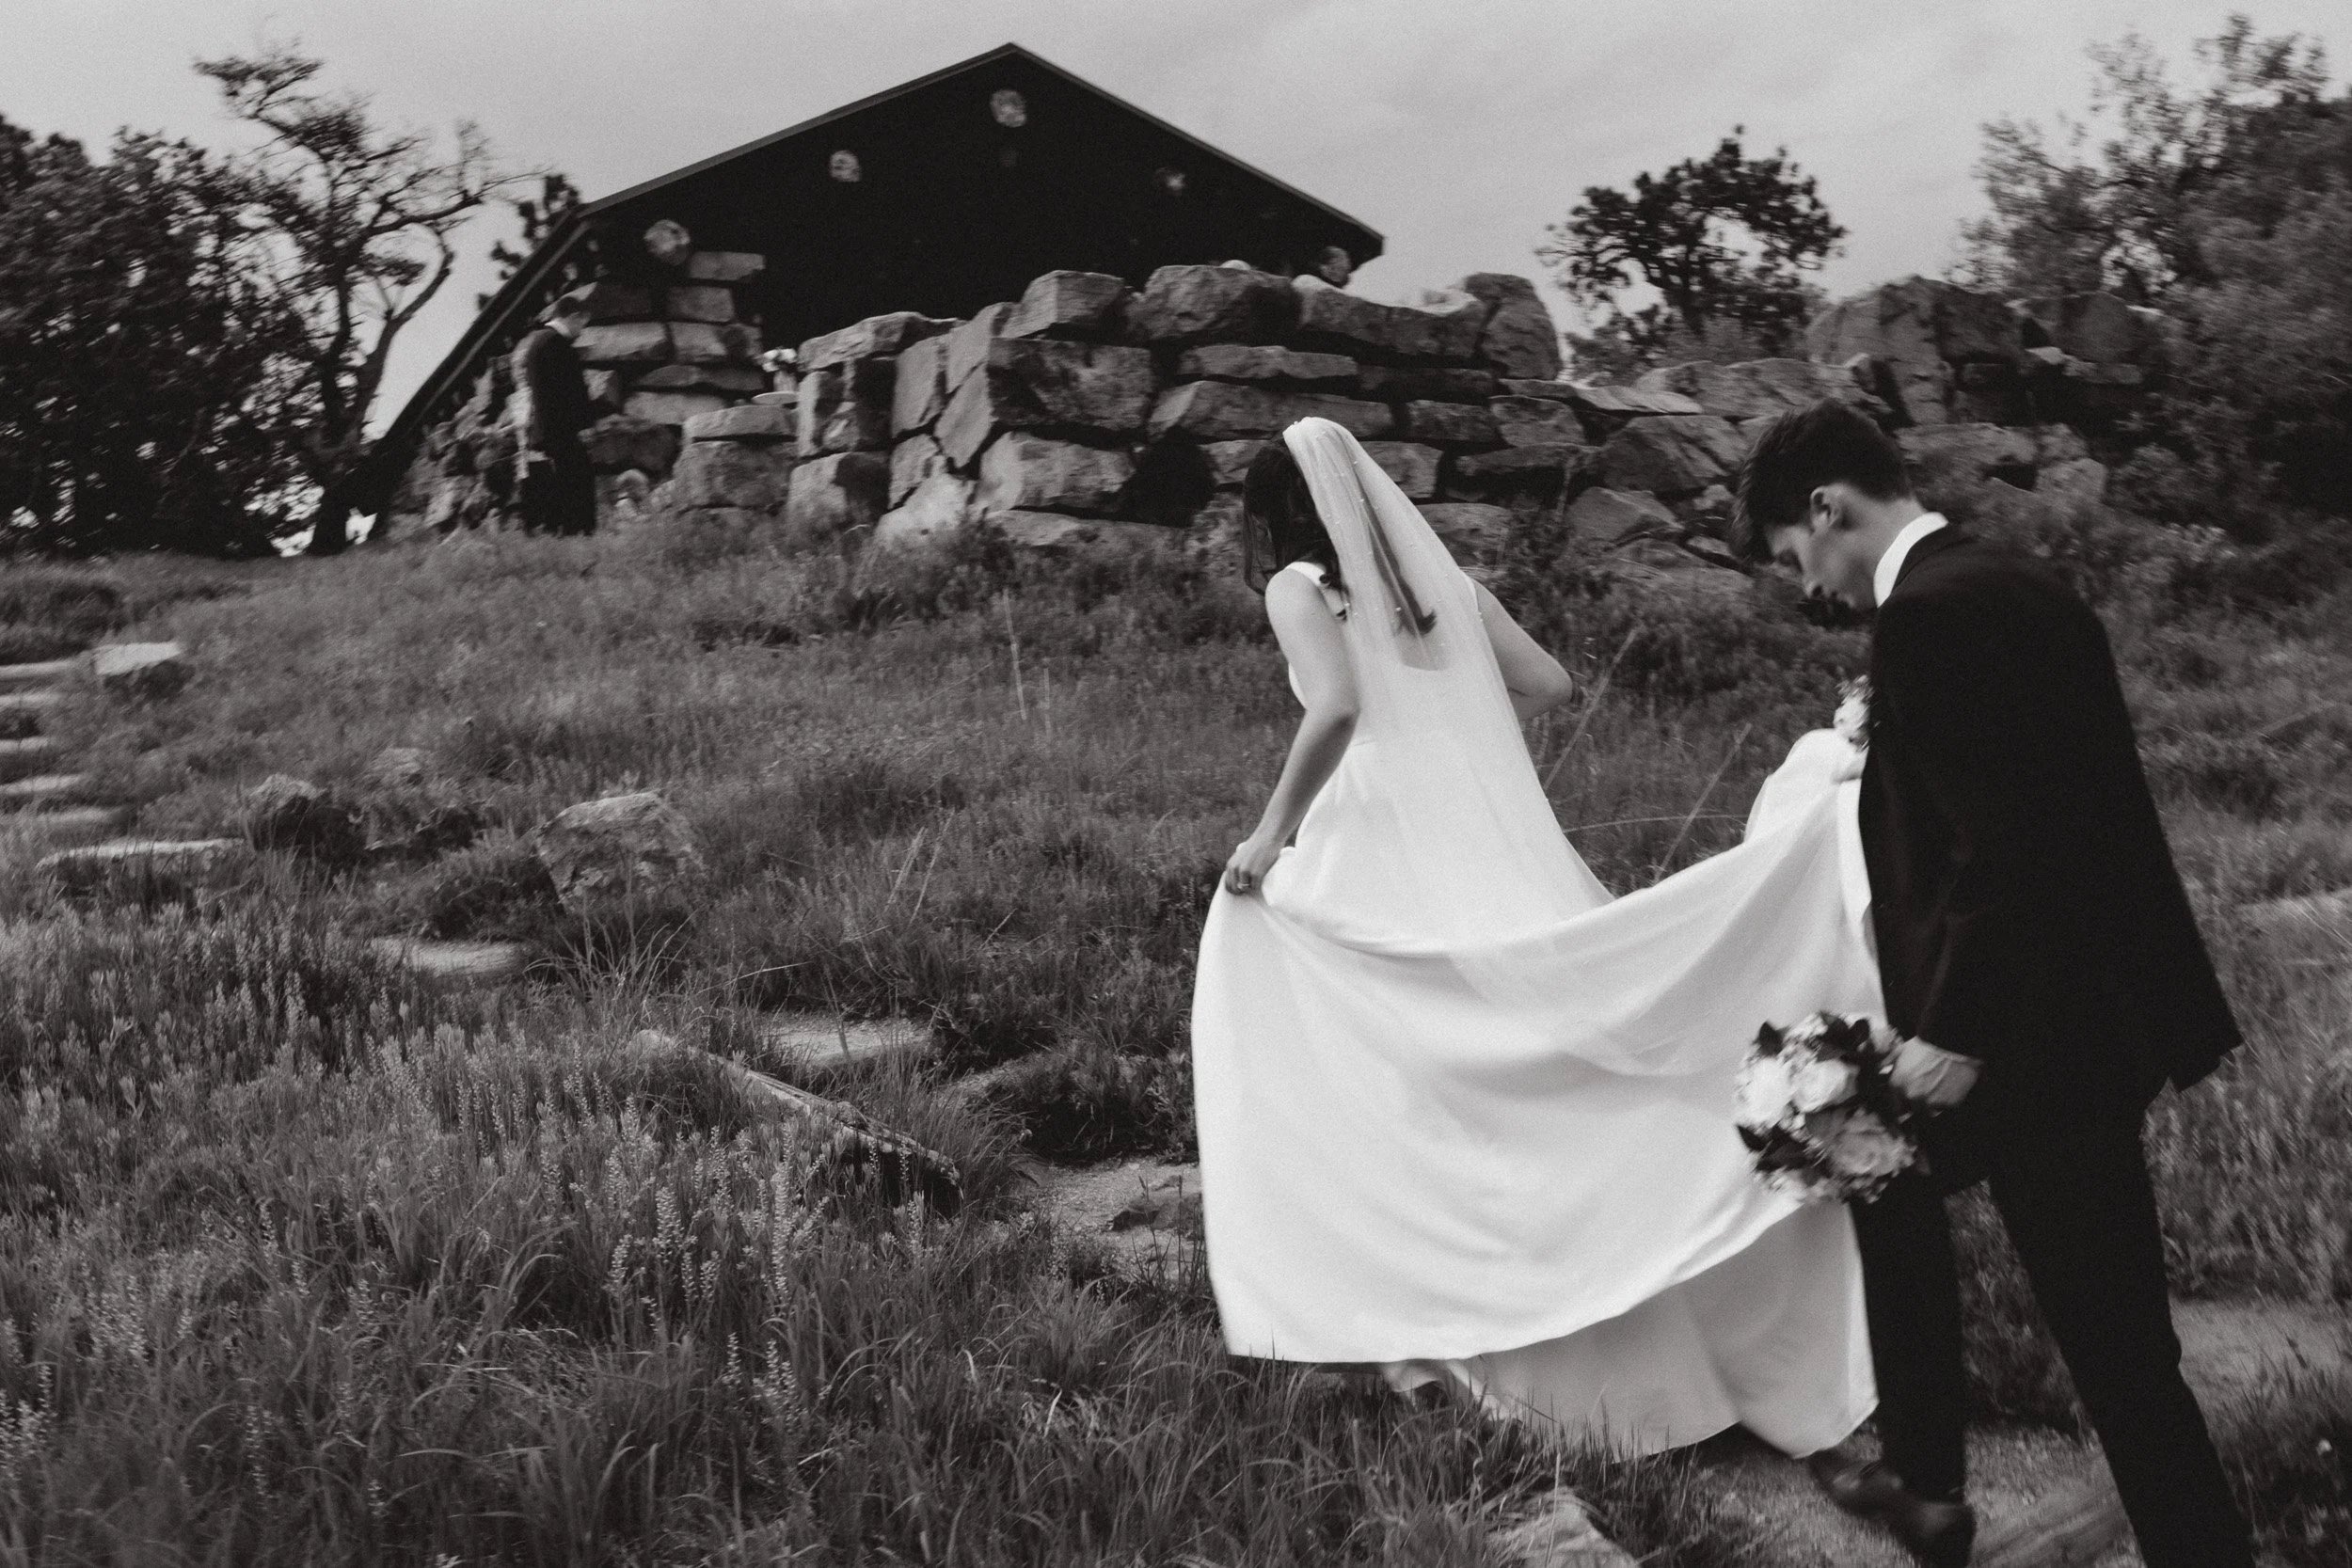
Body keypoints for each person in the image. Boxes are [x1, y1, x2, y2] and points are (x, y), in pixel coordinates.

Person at [1193, 418, 1883, 1460]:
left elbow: (1333, 706)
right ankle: (1628, 1326)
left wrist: (1269, 831)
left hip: (1375, 839)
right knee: (1533, 1068)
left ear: (1276, 511)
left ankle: (1410, 1298)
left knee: (1387, 1067)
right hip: (1479, 837)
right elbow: (1550, 683)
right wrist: (1446, 708)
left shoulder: (1297, 585)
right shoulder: (1444, 589)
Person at [1734, 401, 2250, 1568]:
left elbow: (2008, 843)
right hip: (2081, 1010)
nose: (1805, 583)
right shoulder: (2018, 581)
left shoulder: (1923, 619)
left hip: (2031, 1040)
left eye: (1790, 555)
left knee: (2117, 1349)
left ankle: (2191, 1544)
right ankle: (1927, 1476)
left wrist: (1954, 1036)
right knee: (1869, 1164)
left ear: (1827, 509)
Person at [511, 294, 597, 537]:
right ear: (572, 317)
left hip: (546, 428)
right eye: (582, 323)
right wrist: (584, 425)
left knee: (564, 481)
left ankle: (565, 531)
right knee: (577, 480)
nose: (582, 330)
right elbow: (570, 392)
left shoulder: (537, 343)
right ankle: (577, 533)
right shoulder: (556, 344)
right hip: (561, 429)